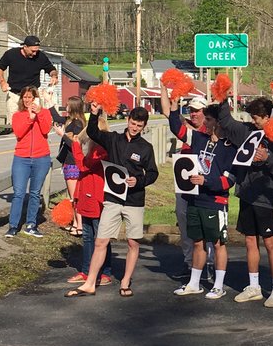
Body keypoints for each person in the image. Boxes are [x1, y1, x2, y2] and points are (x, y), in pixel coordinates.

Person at [77, 101, 158, 296]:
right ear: (128, 120)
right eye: (133, 123)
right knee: (100, 241)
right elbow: (93, 132)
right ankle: (90, 282)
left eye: (139, 125)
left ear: (144, 126)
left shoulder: (146, 148)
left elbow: (153, 173)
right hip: (112, 198)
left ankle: (125, 281)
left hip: (134, 201)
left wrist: (138, 181)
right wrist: (94, 114)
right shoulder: (113, 139)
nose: (135, 128)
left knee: (133, 243)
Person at [217, 95, 273, 307]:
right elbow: (226, 122)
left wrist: (267, 158)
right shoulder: (249, 131)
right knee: (250, 240)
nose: (253, 121)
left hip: (268, 197)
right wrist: (222, 96)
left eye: (256, 118)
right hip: (247, 193)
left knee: (270, 242)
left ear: (267, 117)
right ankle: (254, 286)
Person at [173, 103, 237, 300]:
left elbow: (229, 180)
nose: (205, 123)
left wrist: (206, 181)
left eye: (208, 120)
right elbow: (177, 128)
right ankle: (194, 283)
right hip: (195, 199)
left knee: (218, 243)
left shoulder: (230, 147)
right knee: (197, 242)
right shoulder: (199, 138)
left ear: (218, 122)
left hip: (215, 202)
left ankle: (218, 285)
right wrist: (173, 107)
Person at [161, 85, 209, 282]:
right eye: (191, 110)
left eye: (197, 110)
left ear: (205, 112)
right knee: (184, 223)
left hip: (204, 184)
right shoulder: (186, 126)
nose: (194, 114)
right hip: (184, 183)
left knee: (206, 225)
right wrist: (164, 86)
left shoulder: (211, 129)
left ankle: (208, 264)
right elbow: (168, 112)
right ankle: (189, 263)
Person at [64, 127, 114, 287]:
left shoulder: (101, 150)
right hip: (86, 196)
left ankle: (105, 271)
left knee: (101, 237)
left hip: (97, 197)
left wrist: (76, 145)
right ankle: (86, 270)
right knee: (87, 236)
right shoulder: (92, 149)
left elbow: (84, 165)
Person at [5, 86, 53, 239]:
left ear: (35, 98)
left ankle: (31, 224)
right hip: (22, 158)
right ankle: (13, 226)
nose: (27, 100)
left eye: (30, 97)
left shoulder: (44, 113)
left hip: (41, 157)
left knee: (34, 193)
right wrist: (30, 119)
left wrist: (39, 114)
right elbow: (19, 133)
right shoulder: (18, 115)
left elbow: (45, 130)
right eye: (24, 97)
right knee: (19, 193)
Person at [0, 35, 58, 119]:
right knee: (14, 122)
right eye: (33, 51)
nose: (35, 53)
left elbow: (51, 69)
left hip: (33, 96)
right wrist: (2, 82)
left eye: (36, 51)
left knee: (34, 121)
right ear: (25, 47)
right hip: (15, 95)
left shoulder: (40, 56)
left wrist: (54, 76)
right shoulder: (11, 54)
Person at [52, 96, 87, 236]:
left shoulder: (77, 124)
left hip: (73, 163)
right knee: (73, 196)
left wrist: (62, 135)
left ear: (73, 107)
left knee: (75, 196)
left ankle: (79, 226)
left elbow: (74, 145)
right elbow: (56, 117)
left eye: (67, 105)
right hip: (68, 162)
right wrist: (49, 101)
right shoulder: (70, 121)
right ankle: (75, 224)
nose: (65, 107)